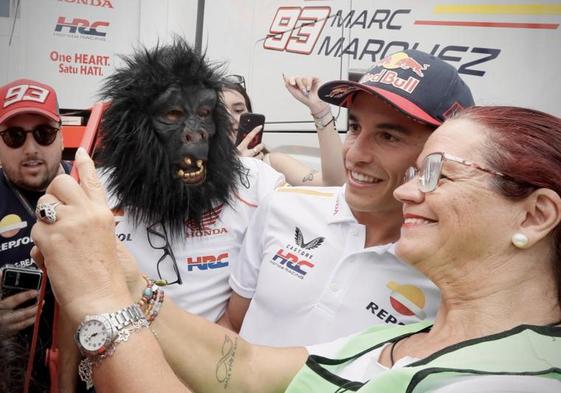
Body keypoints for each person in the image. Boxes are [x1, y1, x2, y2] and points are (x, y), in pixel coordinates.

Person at [31, 105, 561, 392]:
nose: (405, 191)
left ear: (535, 215)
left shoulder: (512, 381)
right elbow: (246, 368)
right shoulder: (407, 336)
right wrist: (122, 273)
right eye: (352, 127)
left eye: (437, 172)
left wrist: (100, 300)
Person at [217, 50, 473, 346]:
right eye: (354, 127)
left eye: (388, 136)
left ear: (438, 154)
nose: (354, 154)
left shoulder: (450, 273)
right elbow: (233, 323)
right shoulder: (282, 207)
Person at [96, 39, 285, 322]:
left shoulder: (254, 180)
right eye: (173, 114)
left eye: (204, 114)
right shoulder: (97, 191)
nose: (195, 133)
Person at [221, 75, 346, 186]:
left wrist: (320, 109)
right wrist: (232, 169)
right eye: (220, 112)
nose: (231, 119)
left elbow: (333, 183)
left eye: (238, 110)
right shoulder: (202, 171)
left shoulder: (271, 163)